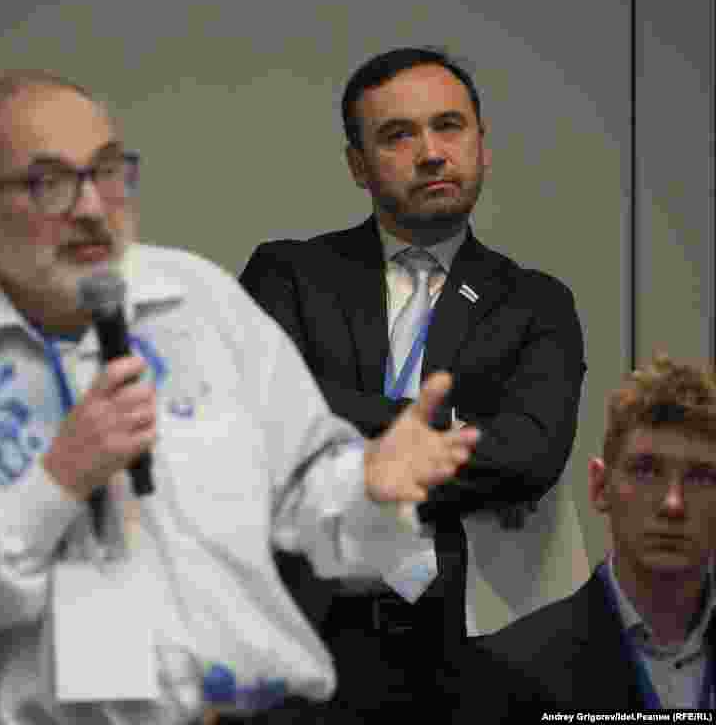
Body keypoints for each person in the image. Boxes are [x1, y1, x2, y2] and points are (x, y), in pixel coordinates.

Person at [0, 70, 480, 725]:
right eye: (48, 182)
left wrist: (368, 489)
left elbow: (317, 511)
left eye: (107, 171)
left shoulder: (198, 299)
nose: (91, 207)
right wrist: (56, 483)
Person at [239, 46, 586, 716]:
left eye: (449, 126)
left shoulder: (535, 302)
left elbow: (530, 456)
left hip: (468, 642)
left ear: (482, 144)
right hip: (305, 637)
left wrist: (346, 431)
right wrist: (451, 430)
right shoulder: (290, 275)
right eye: (398, 135)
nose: (431, 153)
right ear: (357, 165)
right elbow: (265, 421)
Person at [471, 353, 716, 712]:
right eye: (646, 471)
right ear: (600, 487)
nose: (673, 503)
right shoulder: (509, 670)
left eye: (701, 477)